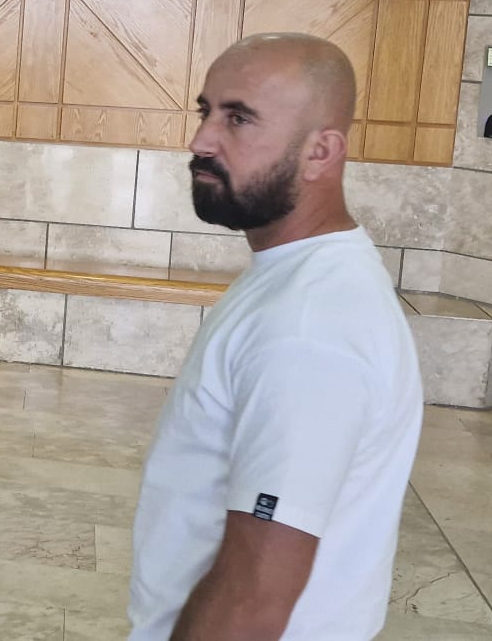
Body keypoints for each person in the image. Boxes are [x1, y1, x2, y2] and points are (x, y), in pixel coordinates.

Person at [125, 33, 422, 640]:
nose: (201, 140)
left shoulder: (311, 327)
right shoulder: (295, 280)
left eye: (238, 119)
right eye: (207, 111)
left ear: (320, 152)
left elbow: (255, 596)